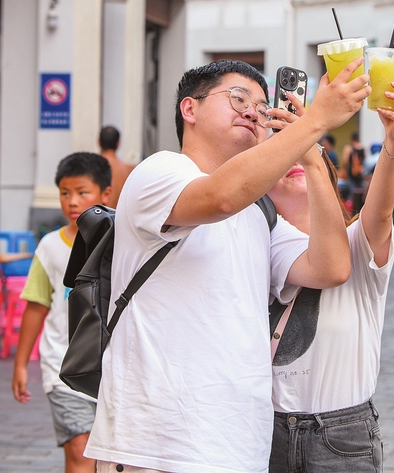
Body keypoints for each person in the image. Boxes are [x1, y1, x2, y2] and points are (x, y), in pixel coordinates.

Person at [84, 59, 369, 472]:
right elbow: (219, 198)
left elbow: (331, 267)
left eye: (261, 105)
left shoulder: (259, 215)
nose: (253, 111)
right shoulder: (159, 171)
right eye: (238, 98)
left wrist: (311, 157)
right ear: (190, 109)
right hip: (155, 445)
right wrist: (317, 120)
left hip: (238, 447)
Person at [267, 71, 394, 473]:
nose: (297, 160)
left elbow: (380, 211)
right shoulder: (259, 245)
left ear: (327, 177)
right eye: (282, 156)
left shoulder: (357, 241)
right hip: (265, 428)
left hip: (341, 435)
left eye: (308, 156)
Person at [12, 153, 113, 473]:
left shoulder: (121, 242)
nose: (72, 201)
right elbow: (37, 304)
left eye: (82, 192)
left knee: (109, 458)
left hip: (112, 368)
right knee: (80, 451)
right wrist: (20, 364)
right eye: (65, 193)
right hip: (63, 367)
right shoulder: (49, 246)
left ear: (105, 194)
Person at [98, 125, 135, 209]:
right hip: (120, 216)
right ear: (118, 144)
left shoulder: (91, 167)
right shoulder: (129, 169)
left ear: (98, 142)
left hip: (98, 216)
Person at [341, 132, 367, 214]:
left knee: (351, 192)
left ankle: (350, 210)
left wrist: (345, 170)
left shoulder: (349, 148)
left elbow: (345, 161)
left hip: (351, 173)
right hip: (360, 174)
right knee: (361, 192)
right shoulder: (362, 148)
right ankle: (359, 209)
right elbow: (364, 161)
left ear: (351, 139)